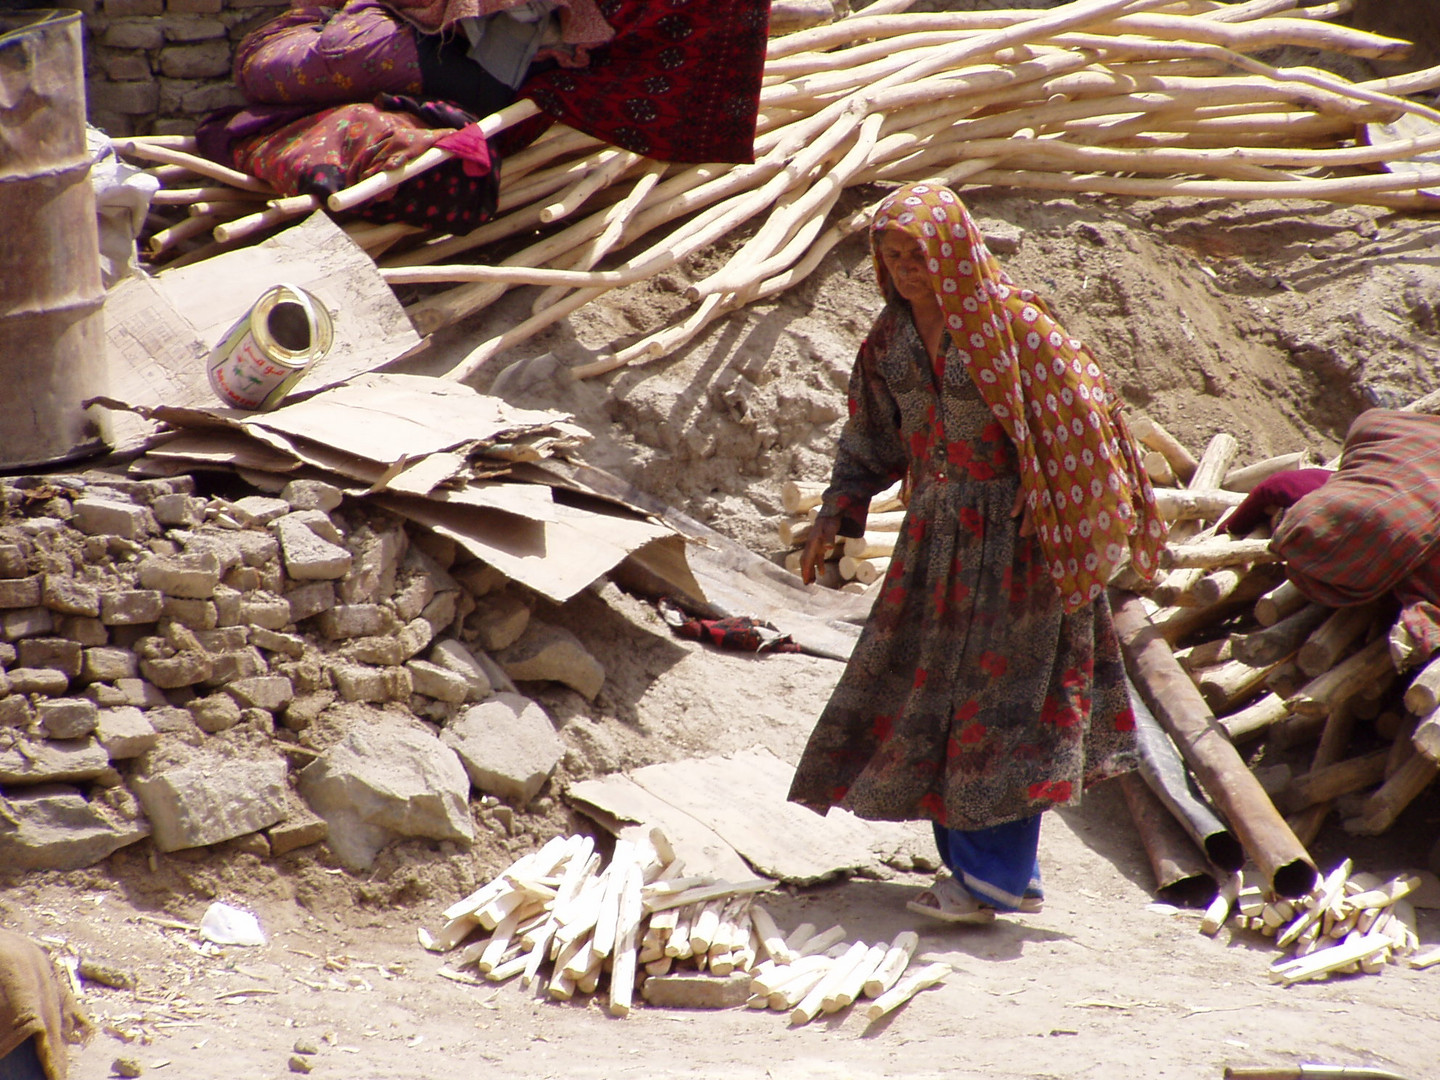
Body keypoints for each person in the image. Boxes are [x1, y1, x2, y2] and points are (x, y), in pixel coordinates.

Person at [786, 181, 1168, 924]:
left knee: (1002, 705)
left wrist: (1053, 485)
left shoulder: (1015, 327)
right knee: (935, 697)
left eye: (920, 256)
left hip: (1025, 547)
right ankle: (996, 871)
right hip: (935, 543)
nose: (905, 270)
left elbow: (1092, 413)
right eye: (892, 256)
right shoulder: (890, 341)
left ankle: (987, 880)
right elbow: (869, 435)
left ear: (957, 254)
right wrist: (840, 510)